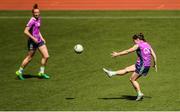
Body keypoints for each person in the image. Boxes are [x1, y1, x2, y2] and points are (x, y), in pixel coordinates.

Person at [103, 33, 157, 101]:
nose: (133, 42)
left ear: (137, 39)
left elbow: (128, 51)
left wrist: (117, 54)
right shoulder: (147, 44)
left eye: (134, 40)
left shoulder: (138, 45)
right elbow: (154, 55)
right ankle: (111, 73)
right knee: (127, 69)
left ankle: (139, 93)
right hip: (142, 64)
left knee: (132, 79)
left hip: (143, 65)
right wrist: (155, 64)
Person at [16, 4, 50, 80]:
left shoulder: (39, 19)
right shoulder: (32, 20)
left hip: (39, 40)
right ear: (33, 13)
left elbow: (37, 30)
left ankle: (41, 73)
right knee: (29, 58)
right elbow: (25, 31)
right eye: (35, 12)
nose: (37, 13)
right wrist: (33, 38)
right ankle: (19, 71)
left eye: (38, 12)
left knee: (46, 56)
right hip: (32, 42)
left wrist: (42, 37)